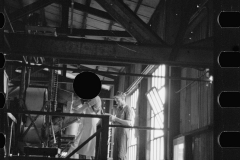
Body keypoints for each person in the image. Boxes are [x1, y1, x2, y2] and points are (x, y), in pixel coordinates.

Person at [65, 95, 102, 159]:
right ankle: (68, 156)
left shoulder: (96, 98)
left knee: (87, 143)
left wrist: (71, 114)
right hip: (86, 121)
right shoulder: (87, 98)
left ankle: (68, 156)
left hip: (90, 122)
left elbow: (83, 108)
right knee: (81, 142)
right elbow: (74, 105)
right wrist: (80, 101)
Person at [109, 91, 134, 160]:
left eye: (118, 99)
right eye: (115, 100)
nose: (116, 102)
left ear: (123, 99)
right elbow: (119, 122)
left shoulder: (128, 108)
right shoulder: (118, 109)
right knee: (115, 155)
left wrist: (116, 118)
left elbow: (129, 123)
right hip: (117, 133)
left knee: (121, 155)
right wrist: (113, 121)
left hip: (123, 134)